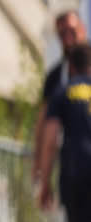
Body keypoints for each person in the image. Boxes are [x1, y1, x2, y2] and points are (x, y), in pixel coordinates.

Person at [35, 42, 91, 222]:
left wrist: (44, 182)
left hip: (73, 172)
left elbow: (49, 141)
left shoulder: (61, 93)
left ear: (71, 66)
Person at [33, 10, 87, 186]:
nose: (67, 37)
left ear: (83, 29)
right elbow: (45, 125)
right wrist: (39, 165)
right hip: (71, 166)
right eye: (62, 33)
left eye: (71, 31)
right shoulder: (56, 78)